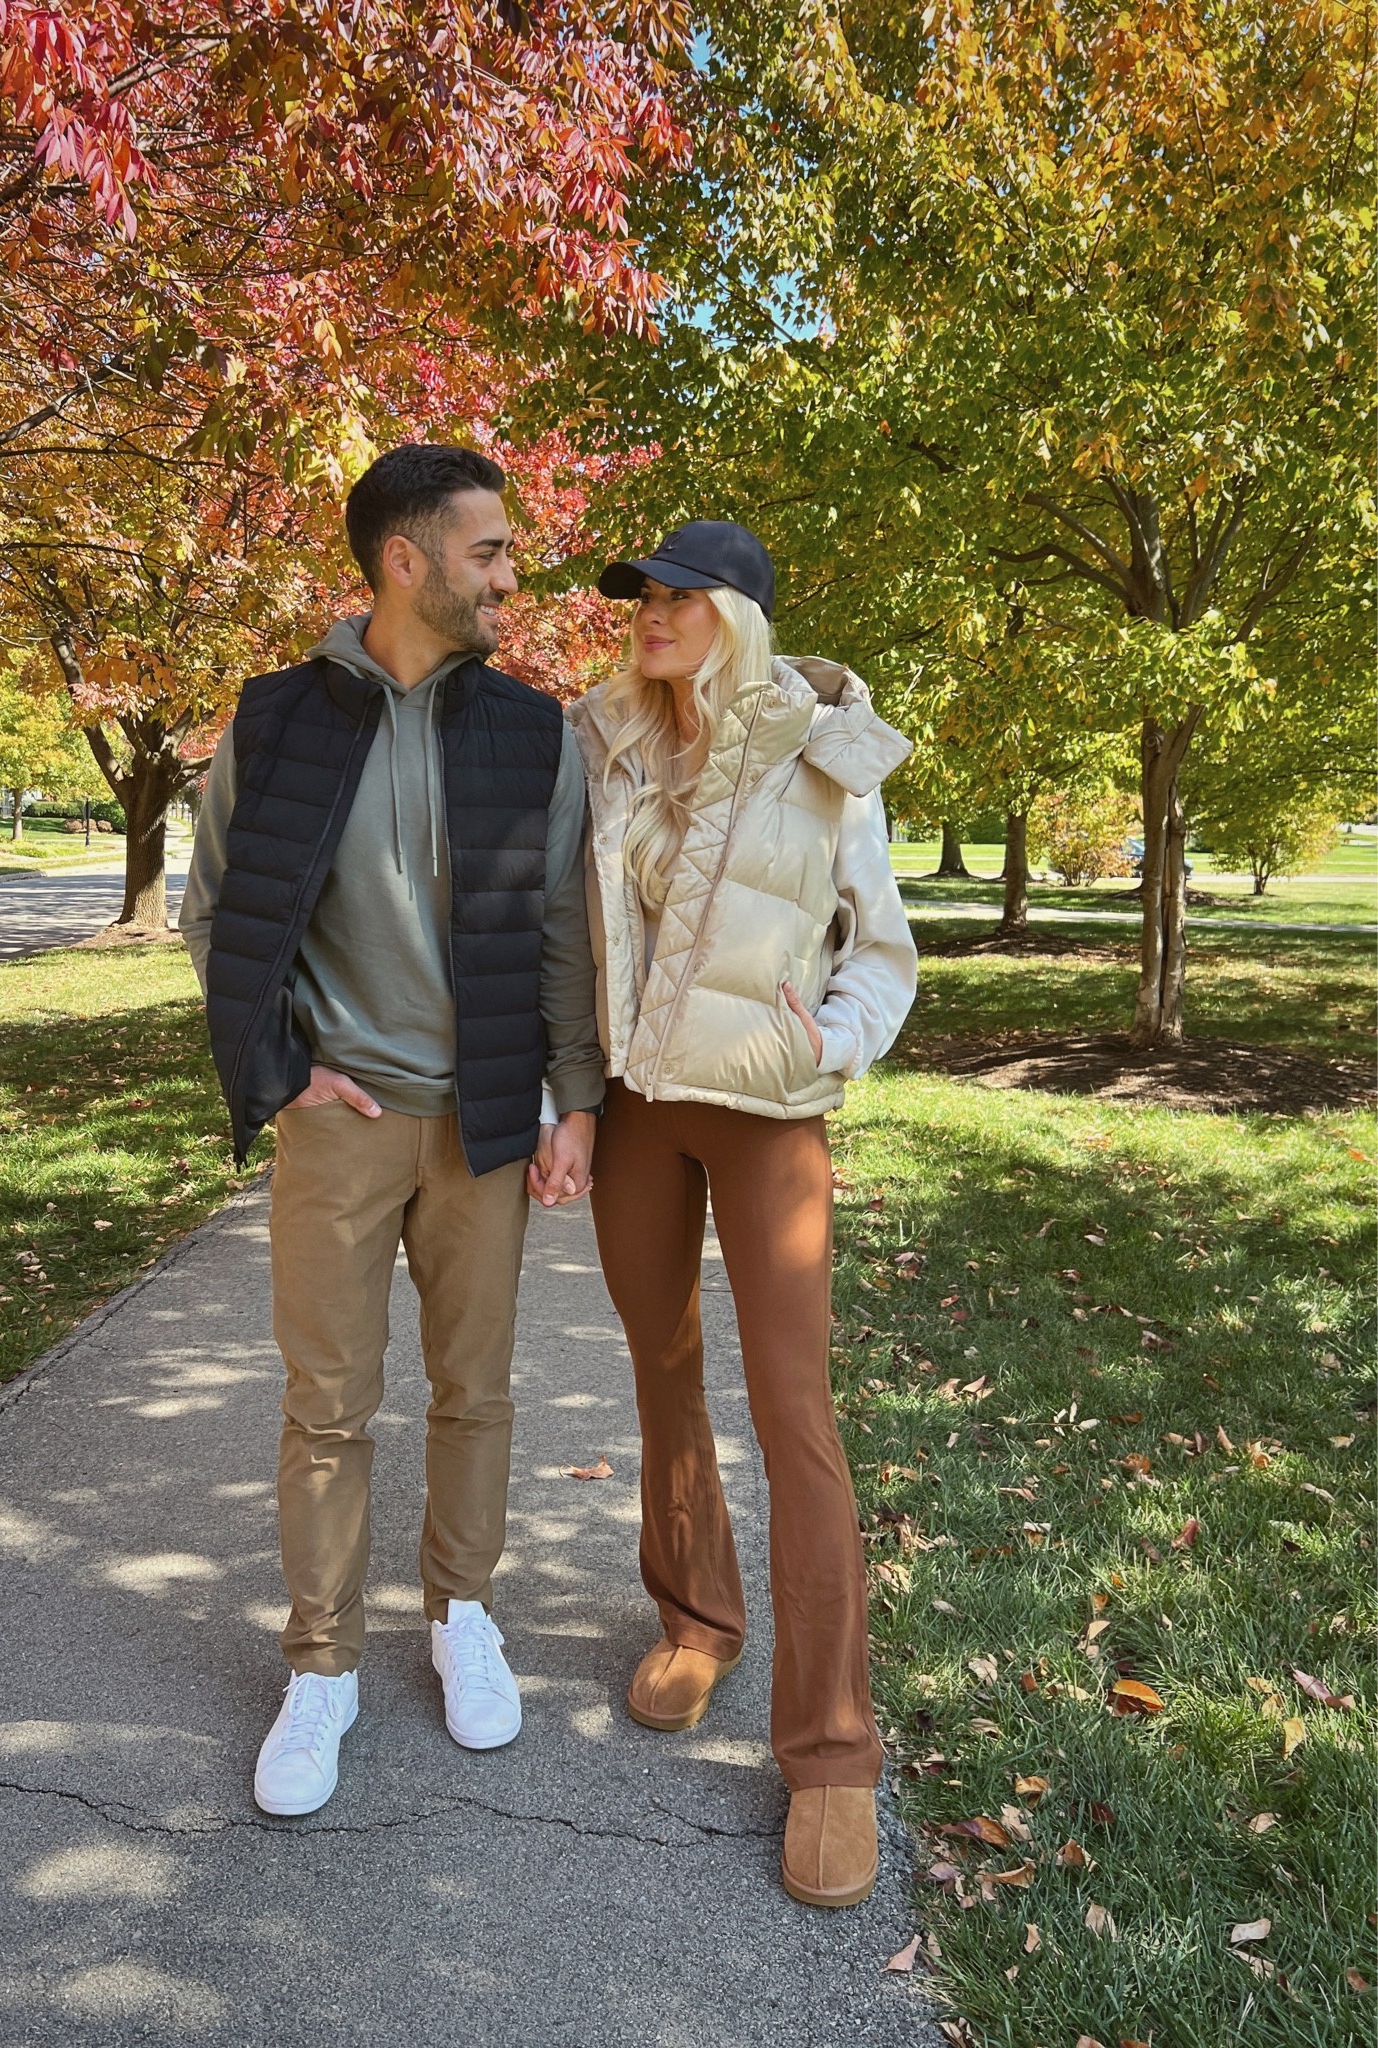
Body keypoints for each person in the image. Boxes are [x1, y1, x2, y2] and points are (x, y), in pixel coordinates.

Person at [181, 444, 603, 1817]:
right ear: (405, 561)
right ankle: (323, 1666)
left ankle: (461, 1615)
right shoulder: (275, 718)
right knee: (327, 1405)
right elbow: (218, 914)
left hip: (484, 1123)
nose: (510, 576)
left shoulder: (531, 729)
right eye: (489, 551)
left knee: (477, 1391)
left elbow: (560, 928)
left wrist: (574, 1099)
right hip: (342, 1124)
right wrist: (284, 1072)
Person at [565, 520, 917, 1907]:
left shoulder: (827, 758)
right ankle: (698, 1616)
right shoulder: (606, 741)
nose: (647, 613)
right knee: (662, 1370)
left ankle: (831, 1751)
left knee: (794, 1414)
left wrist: (832, 1041)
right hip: (637, 1108)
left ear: (741, 616)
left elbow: (882, 951)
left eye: (678, 596)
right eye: (639, 596)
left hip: (769, 1115)